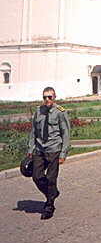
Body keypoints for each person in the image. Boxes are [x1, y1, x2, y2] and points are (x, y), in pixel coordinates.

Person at [27, 87, 70, 220]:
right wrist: (30, 149)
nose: (47, 100)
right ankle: (53, 193)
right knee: (37, 176)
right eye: (45, 97)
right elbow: (33, 131)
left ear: (54, 97)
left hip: (54, 149)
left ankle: (49, 206)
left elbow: (66, 133)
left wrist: (63, 154)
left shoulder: (60, 112)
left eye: (50, 97)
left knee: (51, 178)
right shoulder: (38, 111)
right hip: (40, 149)